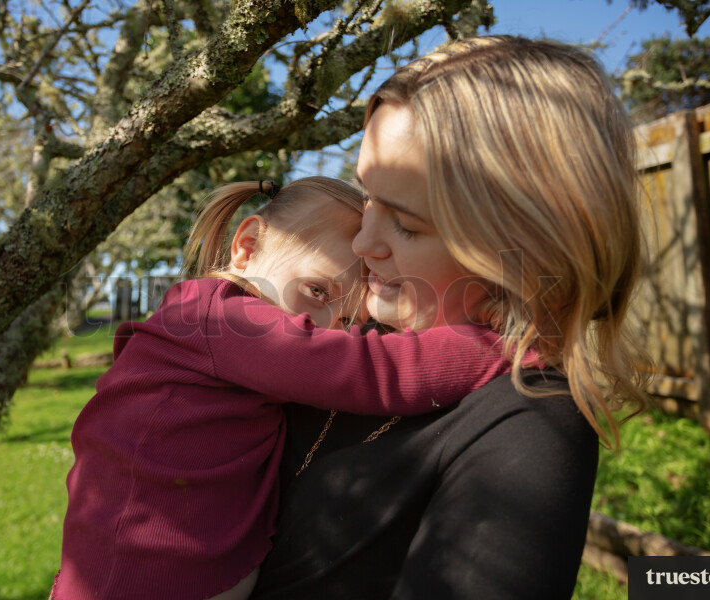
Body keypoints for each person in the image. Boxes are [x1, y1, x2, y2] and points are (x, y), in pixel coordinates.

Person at [250, 36, 647, 599]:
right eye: (367, 197)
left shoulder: (527, 426)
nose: (363, 242)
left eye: (408, 225)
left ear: (525, 249)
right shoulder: (342, 338)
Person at [53, 177, 530, 600]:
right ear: (247, 246)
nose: (327, 328)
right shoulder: (220, 321)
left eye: (346, 320)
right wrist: (502, 343)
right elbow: (370, 370)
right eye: (318, 292)